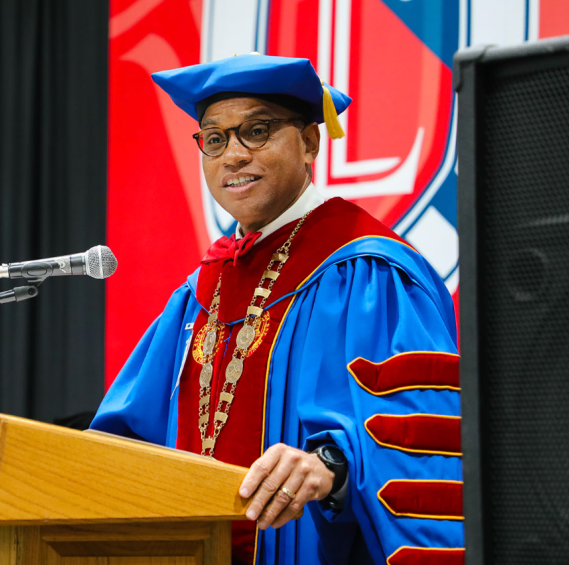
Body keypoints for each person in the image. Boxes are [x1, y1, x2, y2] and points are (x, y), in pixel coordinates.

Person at [91, 54, 463, 565]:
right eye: (215, 139)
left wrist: (331, 466)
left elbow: (419, 431)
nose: (233, 156)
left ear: (310, 142)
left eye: (257, 131)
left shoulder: (369, 271)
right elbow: (123, 436)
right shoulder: (202, 290)